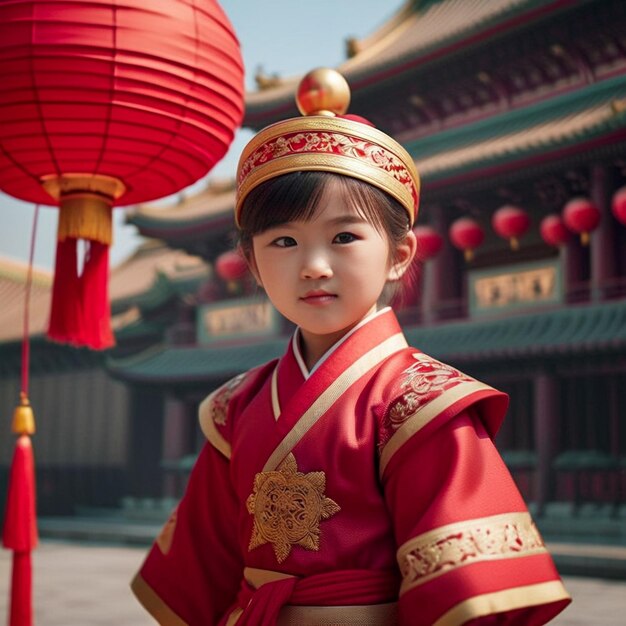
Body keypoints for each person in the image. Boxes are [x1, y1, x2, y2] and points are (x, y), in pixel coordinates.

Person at [131, 68, 571, 625]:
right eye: (284, 242)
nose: (314, 266)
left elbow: (468, 591)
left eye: (344, 237)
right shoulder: (234, 407)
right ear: (254, 266)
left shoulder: (422, 405)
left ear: (399, 253)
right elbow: (197, 572)